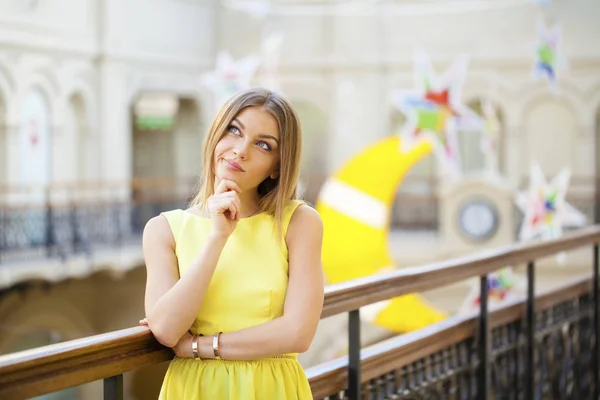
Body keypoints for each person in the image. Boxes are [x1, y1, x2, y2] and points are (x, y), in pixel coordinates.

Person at [140, 87, 325, 399]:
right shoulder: (163, 230)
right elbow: (166, 329)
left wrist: (197, 346)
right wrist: (217, 237)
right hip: (193, 390)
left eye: (263, 145)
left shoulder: (298, 222)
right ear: (216, 133)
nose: (241, 150)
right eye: (234, 130)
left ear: (277, 166)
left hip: (271, 389)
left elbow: (298, 333)